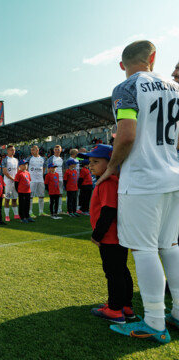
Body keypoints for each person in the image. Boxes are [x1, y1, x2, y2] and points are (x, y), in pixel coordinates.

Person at [100, 40, 179, 344]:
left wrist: (111, 168)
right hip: (172, 177)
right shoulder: (175, 86)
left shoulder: (127, 87)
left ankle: (155, 321)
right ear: (153, 58)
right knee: (171, 246)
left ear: (122, 65)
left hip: (143, 179)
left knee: (145, 250)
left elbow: (127, 134)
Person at [79, 145, 135, 325]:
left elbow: (109, 210)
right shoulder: (110, 180)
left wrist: (97, 235)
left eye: (96, 162)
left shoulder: (108, 182)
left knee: (113, 273)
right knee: (120, 270)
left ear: (111, 163)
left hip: (110, 237)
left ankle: (115, 309)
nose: (90, 165)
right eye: (90, 162)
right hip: (116, 237)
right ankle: (124, 306)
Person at [28, 145, 47, 217]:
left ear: (37, 150)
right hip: (32, 180)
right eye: (31, 150)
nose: (32, 152)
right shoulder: (29, 158)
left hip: (40, 180)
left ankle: (41, 212)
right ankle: (30, 212)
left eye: (33, 150)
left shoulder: (43, 159)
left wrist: (41, 175)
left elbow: (44, 167)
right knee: (30, 196)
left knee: (41, 196)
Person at [2, 145, 19, 221]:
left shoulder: (16, 160)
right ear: (8, 151)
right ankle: (7, 216)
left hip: (15, 182)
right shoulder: (5, 160)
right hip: (8, 182)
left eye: (14, 150)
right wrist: (13, 179)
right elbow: (5, 172)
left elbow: (17, 171)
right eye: (11, 150)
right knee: (7, 199)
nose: (13, 151)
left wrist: (17, 179)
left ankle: (16, 215)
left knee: (15, 198)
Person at [14, 159, 34, 224]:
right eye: (23, 165)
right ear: (20, 166)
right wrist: (18, 191)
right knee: (22, 204)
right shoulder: (18, 173)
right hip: (21, 191)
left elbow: (29, 181)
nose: (25, 166)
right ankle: (22, 217)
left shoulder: (28, 173)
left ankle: (27, 216)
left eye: (26, 164)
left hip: (28, 191)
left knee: (27, 204)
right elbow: (16, 183)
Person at [47, 145, 65, 213]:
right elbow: (48, 168)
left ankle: (59, 209)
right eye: (56, 149)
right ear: (54, 150)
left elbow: (62, 169)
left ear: (61, 150)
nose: (57, 151)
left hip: (60, 178)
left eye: (58, 149)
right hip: (53, 179)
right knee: (52, 194)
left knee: (60, 193)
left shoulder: (61, 159)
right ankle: (52, 210)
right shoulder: (51, 158)